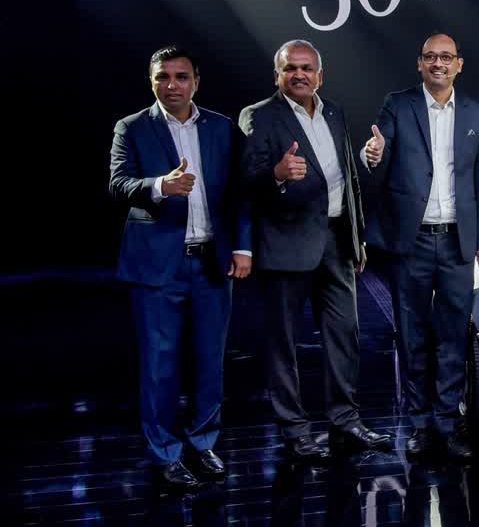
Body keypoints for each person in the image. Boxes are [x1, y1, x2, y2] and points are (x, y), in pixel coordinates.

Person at [239, 39, 392, 459]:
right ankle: (294, 429)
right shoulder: (259, 116)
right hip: (286, 242)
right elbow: (245, 181)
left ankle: (345, 421)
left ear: (320, 75)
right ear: (278, 75)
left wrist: (356, 233)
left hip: (337, 241)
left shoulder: (335, 112)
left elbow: (345, 179)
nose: (300, 75)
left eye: (307, 68)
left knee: (344, 335)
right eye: (291, 69)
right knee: (283, 342)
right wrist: (277, 173)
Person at [109, 45, 251, 488]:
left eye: (181, 77)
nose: (172, 85)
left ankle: (203, 443)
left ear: (196, 81)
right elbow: (118, 183)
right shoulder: (132, 127)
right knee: (159, 366)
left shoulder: (223, 128)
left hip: (212, 262)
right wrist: (159, 185)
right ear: (152, 81)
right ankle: (166, 452)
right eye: (163, 78)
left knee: (210, 361)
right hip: (157, 267)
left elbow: (240, 194)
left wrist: (243, 248)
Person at [361, 32, 479, 459]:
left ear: (459, 64)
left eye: (446, 57)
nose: (438, 63)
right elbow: (378, 154)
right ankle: (420, 424)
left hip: (458, 244)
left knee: (451, 336)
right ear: (420, 64)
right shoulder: (398, 104)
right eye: (430, 57)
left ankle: (447, 421)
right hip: (413, 242)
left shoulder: (475, 113)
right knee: (412, 337)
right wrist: (373, 152)